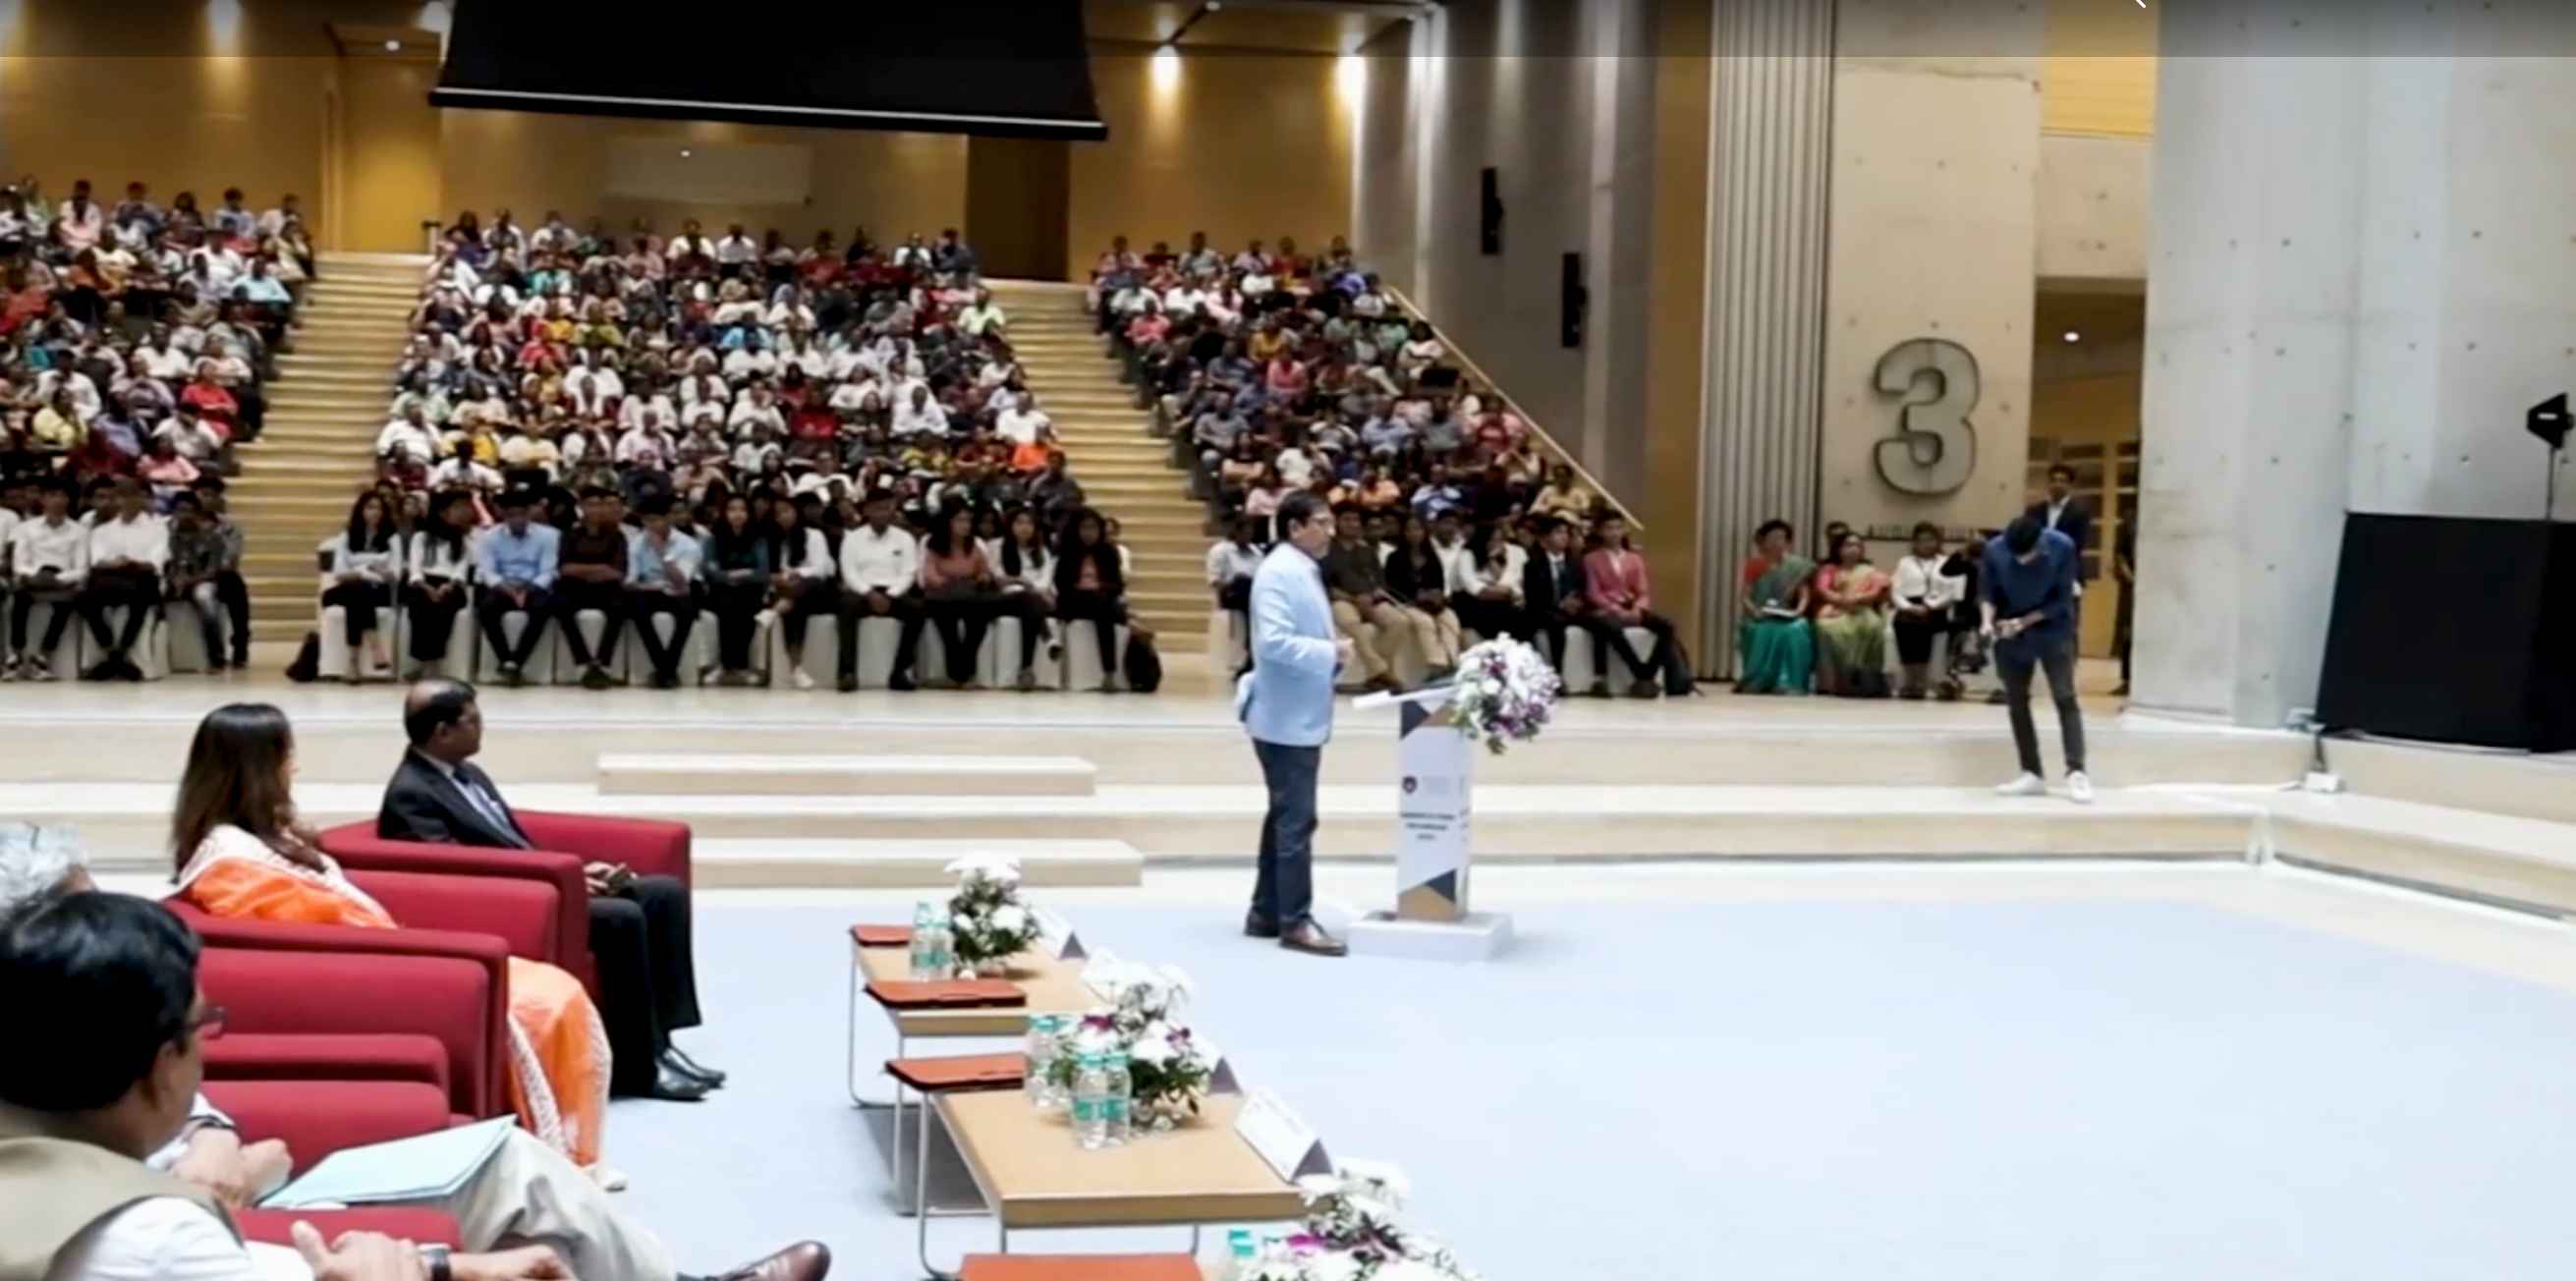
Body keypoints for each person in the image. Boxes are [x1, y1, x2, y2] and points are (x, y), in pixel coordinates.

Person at [0, 848, 831, 1281]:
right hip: (262, 1211)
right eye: (203, 1028)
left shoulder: (55, 1111)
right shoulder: (155, 1233)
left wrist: (440, 1265)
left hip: (251, 1196)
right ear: (159, 1065)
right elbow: (197, 1250)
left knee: (510, 1170)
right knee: (516, 1176)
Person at [171, 703, 614, 1165]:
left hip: (379, 950)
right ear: (257, 768)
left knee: (554, 988)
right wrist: (411, 949)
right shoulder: (230, 859)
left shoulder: (265, 834)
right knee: (543, 1003)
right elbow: (310, 929)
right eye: (286, 756)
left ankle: (563, 1148)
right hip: (357, 974)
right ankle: (558, 1152)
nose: (294, 767)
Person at [378, 681, 723, 1103]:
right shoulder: (411, 793)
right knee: (621, 918)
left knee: (663, 894)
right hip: (508, 905)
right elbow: (453, 873)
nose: (482, 727)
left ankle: (662, 1042)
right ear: (442, 732)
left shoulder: (468, 774)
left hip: (538, 883)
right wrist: (561, 883)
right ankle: (638, 1068)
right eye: (473, 720)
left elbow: (512, 845)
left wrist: (577, 872)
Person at [1235, 491, 1351, 958]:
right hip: (1284, 717)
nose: (1331, 531)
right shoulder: (1280, 572)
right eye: (1322, 522)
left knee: (1285, 815)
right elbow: (1274, 643)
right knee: (1296, 821)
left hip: (1294, 712)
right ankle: (1295, 921)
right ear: (1294, 527)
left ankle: (1266, 911)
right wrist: (1331, 652)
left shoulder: (1300, 568)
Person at [1983, 516, 2091, 803]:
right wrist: (1986, 622)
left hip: (2053, 628)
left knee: (2065, 697)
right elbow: (1988, 592)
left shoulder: (2062, 546)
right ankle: (2031, 772)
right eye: (2015, 555)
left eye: (2026, 554)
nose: (2020, 560)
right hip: (2010, 630)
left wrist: (2024, 622)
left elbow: (2063, 600)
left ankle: (2076, 771)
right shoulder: (1994, 550)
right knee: (2016, 701)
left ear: (2039, 543)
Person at [833, 490, 925, 692]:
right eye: (878, 508)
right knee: (846, 606)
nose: (884, 513)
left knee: (917, 610)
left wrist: (891, 595)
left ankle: (900, 672)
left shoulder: (905, 538)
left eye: (888, 508)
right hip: (862, 592)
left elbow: (909, 572)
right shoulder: (853, 538)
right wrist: (869, 593)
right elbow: (849, 572)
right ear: (867, 510)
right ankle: (847, 672)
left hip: (894, 592)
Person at [1580, 512, 1677, 698]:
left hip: (1632, 607)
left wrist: (1638, 608)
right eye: (1609, 528)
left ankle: (1648, 673)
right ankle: (1641, 674)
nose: (1614, 533)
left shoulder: (1634, 559)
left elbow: (1643, 590)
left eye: (1618, 528)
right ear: (1600, 532)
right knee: (1611, 629)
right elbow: (1593, 593)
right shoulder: (1591, 559)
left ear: (1624, 530)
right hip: (1606, 608)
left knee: (1667, 626)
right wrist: (1615, 609)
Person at [78, 479, 167, 681]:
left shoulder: (157, 529)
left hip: (142, 577)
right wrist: (115, 563)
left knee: (141, 596)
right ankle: (111, 650)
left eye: (131, 496)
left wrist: (132, 562)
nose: (126, 501)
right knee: (86, 598)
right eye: (121, 496)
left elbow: (155, 562)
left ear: (140, 498)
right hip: (111, 578)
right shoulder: (102, 531)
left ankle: (121, 652)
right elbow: (97, 560)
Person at [474, 490, 560, 687]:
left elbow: (549, 570)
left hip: (534, 586)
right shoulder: (490, 537)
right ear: (504, 516)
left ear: (529, 514)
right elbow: (487, 571)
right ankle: (506, 659)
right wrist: (507, 588)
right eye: (512, 515)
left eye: (522, 514)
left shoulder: (550, 535)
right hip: (503, 587)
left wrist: (528, 588)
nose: (518, 520)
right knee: (486, 609)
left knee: (542, 609)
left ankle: (517, 661)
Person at [6, 480, 86, 680]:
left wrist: (57, 579)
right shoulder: (26, 529)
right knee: (19, 598)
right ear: (42, 499)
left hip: (63, 581)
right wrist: (36, 576)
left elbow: (81, 568)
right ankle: (16, 654)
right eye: (52, 495)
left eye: (62, 496)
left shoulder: (79, 531)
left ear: (68, 500)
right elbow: (19, 563)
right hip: (33, 579)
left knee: (66, 604)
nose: (57, 500)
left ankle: (42, 657)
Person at [917, 504, 1000, 690]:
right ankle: (958, 674)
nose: (965, 525)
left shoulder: (974, 546)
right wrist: (947, 582)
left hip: (969, 596)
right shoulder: (934, 545)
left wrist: (982, 578)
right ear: (948, 522)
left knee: (978, 620)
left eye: (968, 520)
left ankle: (964, 673)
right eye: (960, 520)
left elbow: (984, 571)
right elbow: (929, 575)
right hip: (942, 596)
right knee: (948, 624)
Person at [322, 491, 402, 684]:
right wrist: (369, 570)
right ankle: (376, 647)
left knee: (358, 595)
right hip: (346, 588)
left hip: (378, 592)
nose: (375, 512)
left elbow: (395, 574)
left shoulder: (392, 538)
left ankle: (353, 664)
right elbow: (339, 573)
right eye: (370, 507)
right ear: (361, 511)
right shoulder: (347, 536)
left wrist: (361, 571)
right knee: (358, 590)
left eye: (379, 508)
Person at [554, 487, 630, 691]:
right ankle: (583, 661)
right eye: (591, 505)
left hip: (607, 588)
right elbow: (564, 568)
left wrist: (582, 570)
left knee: (620, 607)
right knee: (561, 605)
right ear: (581, 507)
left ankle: (603, 662)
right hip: (575, 587)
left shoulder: (617, 536)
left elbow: (618, 572)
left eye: (601, 505)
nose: (597, 510)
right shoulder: (570, 534)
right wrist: (600, 568)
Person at [627, 497, 702, 690]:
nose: (650, 526)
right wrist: (650, 586)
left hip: (681, 591)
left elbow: (681, 581)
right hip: (649, 591)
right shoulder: (637, 543)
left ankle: (665, 670)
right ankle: (667, 670)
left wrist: (662, 552)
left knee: (687, 611)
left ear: (669, 518)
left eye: (655, 520)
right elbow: (632, 581)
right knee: (638, 610)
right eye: (646, 521)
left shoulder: (688, 545)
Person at [1052, 508, 1130, 693]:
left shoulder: (1109, 552)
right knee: (1107, 608)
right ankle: (1107, 670)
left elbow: (1118, 585)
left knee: (1104, 609)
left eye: (1093, 528)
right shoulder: (1068, 551)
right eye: (1084, 528)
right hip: (1074, 601)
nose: (1089, 533)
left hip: (1100, 600)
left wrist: (1101, 588)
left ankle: (1109, 673)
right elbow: (1061, 584)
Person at [1735, 519, 1814, 696]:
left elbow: (1804, 596)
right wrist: (1754, 611)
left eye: (1781, 538)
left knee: (1796, 629)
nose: (1776, 542)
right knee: (1761, 630)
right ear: (1763, 542)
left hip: (1788, 614)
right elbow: (1744, 596)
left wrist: (1797, 612)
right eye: (1772, 538)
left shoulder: (1797, 567)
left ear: (1788, 542)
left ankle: (1789, 682)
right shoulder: (1755, 564)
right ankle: (1757, 680)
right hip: (1760, 614)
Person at [404, 489, 477, 679]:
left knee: (443, 608)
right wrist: (426, 587)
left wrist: (448, 586)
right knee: (419, 606)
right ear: (442, 512)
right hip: (423, 584)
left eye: (466, 507)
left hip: (452, 585)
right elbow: (415, 568)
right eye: (458, 507)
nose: (464, 512)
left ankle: (431, 665)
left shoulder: (463, 541)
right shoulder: (421, 538)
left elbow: (460, 570)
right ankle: (427, 663)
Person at [702, 494, 772, 686]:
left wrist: (732, 574)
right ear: (724, 513)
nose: (737, 514)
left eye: (742, 510)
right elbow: (710, 571)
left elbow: (762, 572)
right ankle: (727, 665)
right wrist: (740, 573)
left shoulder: (758, 540)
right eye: (732, 509)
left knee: (745, 607)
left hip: (751, 591)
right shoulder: (713, 540)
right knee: (726, 606)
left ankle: (739, 666)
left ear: (749, 514)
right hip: (720, 591)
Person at [1811, 531, 1890, 697]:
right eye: (1848, 545)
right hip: (1836, 609)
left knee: (1874, 625)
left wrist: (1857, 598)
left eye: (1857, 546)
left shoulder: (1870, 571)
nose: (1853, 549)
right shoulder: (1829, 569)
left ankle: (1866, 680)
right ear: (1839, 549)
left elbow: (1875, 592)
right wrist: (1842, 601)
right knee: (1825, 627)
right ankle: (1831, 682)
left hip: (1862, 609)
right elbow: (1823, 590)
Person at [1891, 522, 1964, 700]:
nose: (1926, 544)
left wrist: (1931, 605)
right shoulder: (1905, 562)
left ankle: (1921, 681)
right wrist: (1908, 607)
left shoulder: (1947, 562)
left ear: (1938, 541)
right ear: (1914, 542)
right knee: (1903, 624)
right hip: (1910, 605)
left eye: (1930, 539)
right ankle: (1912, 680)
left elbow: (1953, 590)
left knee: (1924, 626)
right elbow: (1895, 591)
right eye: (1921, 540)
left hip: (1938, 607)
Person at [1206, 516, 1263, 678]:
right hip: (1230, 593)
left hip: (1252, 594)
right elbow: (1215, 580)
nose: (1249, 536)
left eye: (1251, 532)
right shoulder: (1221, 551)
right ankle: (1250, 651)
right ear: (1236, 532)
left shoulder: (1256, 552)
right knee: (1242, 581)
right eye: (1245, 532)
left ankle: (1255, 653)